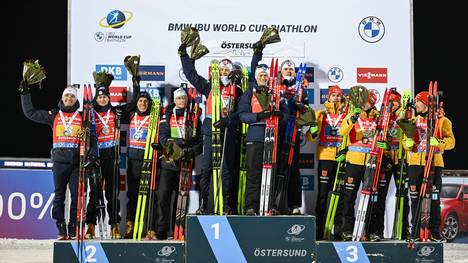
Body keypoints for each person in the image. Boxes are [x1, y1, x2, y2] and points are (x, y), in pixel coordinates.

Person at [179, 44, 242, 215]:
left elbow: (241, 112)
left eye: (226, 70)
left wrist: (229, 121)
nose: (223, 73)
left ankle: (227, 204)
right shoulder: (208, 87)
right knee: (206, 168)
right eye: (221, 70)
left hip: (227, 132)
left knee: (227, 168)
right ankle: (203, 204)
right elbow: (191, 75)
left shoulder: (237, 88)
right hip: (210, 130)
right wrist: (184, 55)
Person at [20, 82, 82, 240]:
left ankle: (73, 227)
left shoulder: (82, 116)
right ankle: (61, 228)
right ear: (62, 98)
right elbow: (30, 113)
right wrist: (25, 93)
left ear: (76, 99)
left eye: (72, 96)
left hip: (76, 164)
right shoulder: (54, 115)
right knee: (59, 196)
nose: (69, 98)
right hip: (59, 163)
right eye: (67, 95)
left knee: (76, 197)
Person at [85, 76, 140, 239]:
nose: (102, 99)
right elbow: (82, 133)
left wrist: (136, 83)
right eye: (100, 97)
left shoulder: (117, 112)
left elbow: (134, 103)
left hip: (113, 157)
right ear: (96, 98)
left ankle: (114, 225)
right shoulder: (90, 114)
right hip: (95, 157)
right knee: (94, 193)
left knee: (112, 193)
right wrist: (85, 149)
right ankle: (91, 225)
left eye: (105, 97)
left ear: (109, 98)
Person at [403, 91, 455, 242]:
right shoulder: (412, 120)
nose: (415, 104)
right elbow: (405, 140)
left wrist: (439, 143)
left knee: (433, 199)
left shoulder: (442, 120)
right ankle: (416, 231)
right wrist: (407, 144)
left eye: (418, 102)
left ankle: (434, 231)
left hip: (434, 163)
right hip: (414, 164)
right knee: (415, 199)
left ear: (425, 104)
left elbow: (451, 141)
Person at [154, 87, 202, 240]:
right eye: (179, 98)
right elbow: (162, 137)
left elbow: (200, 141)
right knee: (163, 196)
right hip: (169, 160)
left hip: (186, 161)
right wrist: (178, 146)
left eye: (184, 98)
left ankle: (177, 228)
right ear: (174, 100)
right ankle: (161, 229)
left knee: (181, 198)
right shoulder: (167, 115)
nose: (182, 101)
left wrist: (191, 151)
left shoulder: (193, 117)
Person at [337, 89, 379, 241]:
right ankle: (347, 230)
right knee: (349, 198)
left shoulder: (378, 118)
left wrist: (384, 144)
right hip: (354, 161)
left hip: (371, 163)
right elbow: (342, 132)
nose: (364, 103)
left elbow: (384, 135)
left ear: (372, 103)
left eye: (367, 101)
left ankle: (369, 231)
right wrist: (353, 118)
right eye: (363, 101)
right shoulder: (352, 115)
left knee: (371, 199)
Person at [308, 85, 347, 239]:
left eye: (339, 95)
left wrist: (346, 152)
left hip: (341, 158)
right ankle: (319, 230)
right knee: (323, 195)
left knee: (341, 195)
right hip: (325, 157)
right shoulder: (321, 114)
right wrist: (313, 128)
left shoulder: (346, 115)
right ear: (328, 97)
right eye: (333, 95)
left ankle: (338, 230)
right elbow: (311, 137)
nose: (336, 98)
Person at [124, 90, 154, 238]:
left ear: (149, 105)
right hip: (133, 160)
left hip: (148, 159)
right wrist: (136, 83)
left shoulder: (154, 118)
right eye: (140, 101)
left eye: (145, 102)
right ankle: (131, 226)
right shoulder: (131, 115)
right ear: (136, 103)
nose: (142, 104)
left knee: (148, 194)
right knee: (133, 194)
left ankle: (149, 227)